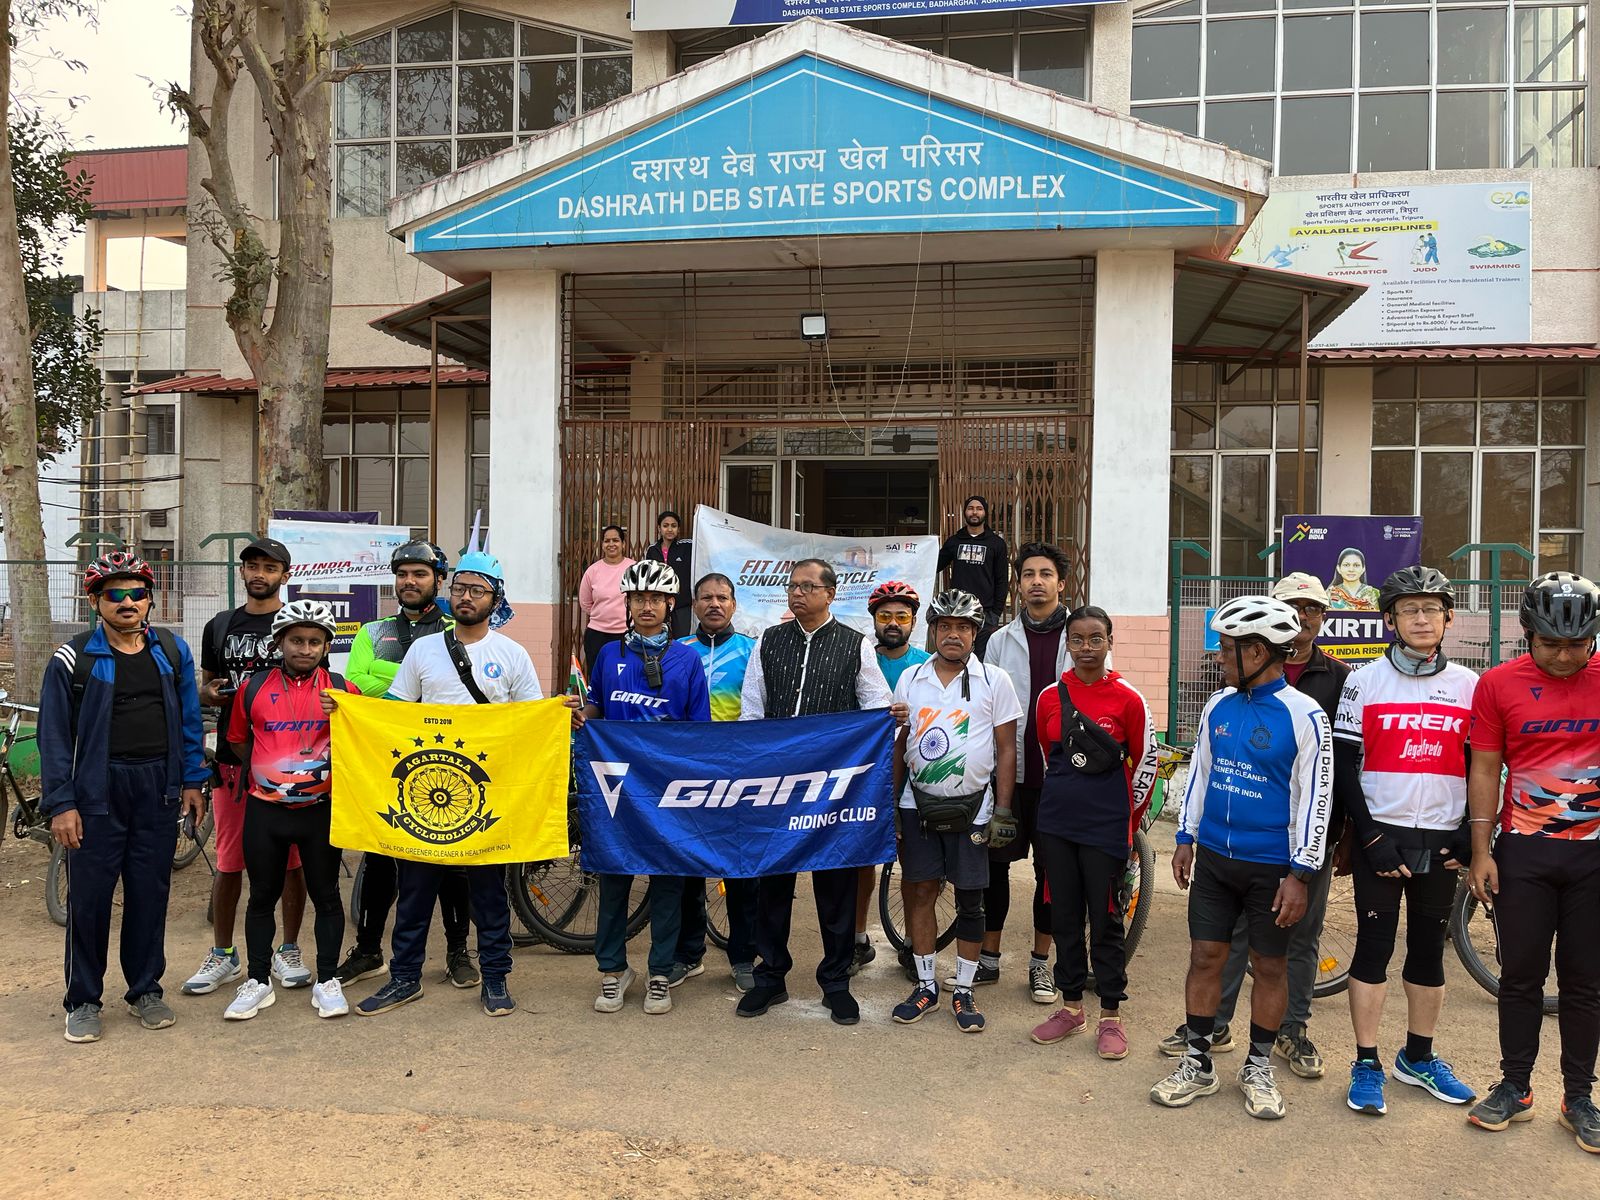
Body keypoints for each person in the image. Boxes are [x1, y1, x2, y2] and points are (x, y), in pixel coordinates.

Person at [1152, 596, 1332, 1120]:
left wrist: (1301, 873)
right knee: (1205, 958)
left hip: (1273, 868)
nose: (1219, 658)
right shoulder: (1216, 705)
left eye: (1227, 649)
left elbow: (1315, 799)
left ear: (1259, 651)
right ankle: (1197, 1062)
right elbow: (1201, 775)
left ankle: (1258, 1065)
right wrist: (1184, 838)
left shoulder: (1305, 715)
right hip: (1213, 861)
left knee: (1269, 966)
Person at [351, 542, 544, 1019]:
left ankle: (495, 976)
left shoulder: (512, 654)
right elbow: (396, 713)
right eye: (460, 587)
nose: (466, 596)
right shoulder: (422, 650)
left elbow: (530, 722)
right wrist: (350, 711)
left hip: (486, 799)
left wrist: (562, 715)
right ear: (449, 592)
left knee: (488, 893)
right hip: (424, 795)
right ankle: (404, 978)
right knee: (414, 890)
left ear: (495, 599)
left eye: (478, 590)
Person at [40, 553, 208, 1042]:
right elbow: (53, 737)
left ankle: (144, 990)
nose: (128, 602)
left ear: (150, 599)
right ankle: (83, 1000)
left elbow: (189, 722)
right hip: (96, 791)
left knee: (149, 893)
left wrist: (194, 782)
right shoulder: (74, 659)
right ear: (95, 602)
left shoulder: (173, 652)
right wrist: (61, 803)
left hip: (157, 788)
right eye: (115, 594)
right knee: (89, 899)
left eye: (137, 593)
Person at [1330, 567, 1478, 1116]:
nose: (1421, 618)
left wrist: (1470, 830)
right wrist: (1368, 835)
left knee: (1426, 952)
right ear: (1389, 619)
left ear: (1447, 619)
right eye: (1409, 610)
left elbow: (1480, 763)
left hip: (1442, 837)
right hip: (1382, 835)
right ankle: (1366, 1061)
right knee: (1373, 949)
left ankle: (1418, 1057)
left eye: (1432, 610)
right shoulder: (1363, 681)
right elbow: (1346, 764)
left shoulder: (1469, 685)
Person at [1465, 572, 1600, 1153]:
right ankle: (1515, 1086)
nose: (1565, 655)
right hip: (1523, 853)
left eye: (1577, 644)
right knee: (1519, 975)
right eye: (1550, 644)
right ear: (1527, 634)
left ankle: (1579, 1097)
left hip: (1594, 857)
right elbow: (1484, 768)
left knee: (1585, 981)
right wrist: (1480, 851)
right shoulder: (1497, 684)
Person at [737, 558, 898, 1025]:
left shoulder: (856, 645)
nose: (797, 593)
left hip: (833, 789)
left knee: (836, 885)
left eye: (808, 586)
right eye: (792, 586)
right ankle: (771, 978)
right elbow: (752, 709)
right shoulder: (768, 640)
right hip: (777, 783)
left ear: (831, 594)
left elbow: (876, 706)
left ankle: (836, 982)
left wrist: (892, 717)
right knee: (773, 882)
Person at [569, 561, 711, 1015]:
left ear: (670, 605)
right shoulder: (609, 655)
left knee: (669, 884)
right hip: (616, 790)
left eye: (655, 599)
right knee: (613, 879)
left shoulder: (687, 658)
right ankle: (612, 971)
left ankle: (660, 974)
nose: (646, 606)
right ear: (626, 604)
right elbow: (597, 705)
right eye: (637, 598)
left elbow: (700, 730)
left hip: (667, 791)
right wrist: (579, 713)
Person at [337, 540, 475, 989]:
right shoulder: (371, 632)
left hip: (446, 762)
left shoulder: (460, 630)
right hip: (386, 761)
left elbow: (445, 692)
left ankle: (458, 951)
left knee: (452, 860)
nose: (409, 582)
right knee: (379, 858)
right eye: (402, 574)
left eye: (419, 574)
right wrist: (405, 686)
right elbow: (356, 685)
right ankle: (368, 951)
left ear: (439, 580)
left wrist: (390, 683)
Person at [222, 601, 363, 1021]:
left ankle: (327, 981)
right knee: (261, 896)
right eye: (296, 640)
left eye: (314, 642)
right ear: (280, 642)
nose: (305, 648)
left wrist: (343, 718)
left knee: (326, 897)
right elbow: (239, 742)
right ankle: (259, 980)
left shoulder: (343, 689)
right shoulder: (253, 687)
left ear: (325, 646)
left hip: (320, 811)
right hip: (266, 812)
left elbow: (364, 739)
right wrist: (273, 772)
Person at [1029, 605, 1158, 1061]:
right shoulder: (1048, 697)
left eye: (1096, 639)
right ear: (1068, 643)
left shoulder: (1128, 698)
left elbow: (1145, 764)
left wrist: (1127, 819)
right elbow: (1049, 758)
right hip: (1057, 826)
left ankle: (1110, 1016)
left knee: (1105, 923)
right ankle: (1070, 1008)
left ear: (1109, 642)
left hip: (1106, 829)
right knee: (1063, 917)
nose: (1087, 648)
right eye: (1078, 639)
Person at [183, 537, 310, 997]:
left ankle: (288, 948)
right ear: (242, 573)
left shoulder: (298, 623)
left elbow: (316, 687)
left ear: (285, 575)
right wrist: (210, 695)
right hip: (234, 764)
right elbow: (203, 689)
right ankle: (223, 955)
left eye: (269, 567)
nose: (260, 574)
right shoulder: (220, 626)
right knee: (230, 860)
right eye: (252, 566)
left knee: (292, 860)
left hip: (288, 761)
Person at [890, 590, 1020, 1033]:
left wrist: (1003, 809)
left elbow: (1006, 749)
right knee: (921, 891)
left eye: (962, 627)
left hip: (976, 809)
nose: (953, 634)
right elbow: (898, 744)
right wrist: (891, 804)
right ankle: (926, 984)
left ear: (974, 633)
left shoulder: (995, 681)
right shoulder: (910, 677)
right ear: (933, 629)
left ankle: (963, 990)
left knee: (970, 898)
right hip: (916, 804)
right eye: (945, 626)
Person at [979, 542, 1070, 1001]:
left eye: (1046, 574)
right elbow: (986, 708)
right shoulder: (999, 640)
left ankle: (1039, 963)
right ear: (1018, 584)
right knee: (995, 867)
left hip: (1060, 780)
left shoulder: (1080, 634)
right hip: (1008, 775)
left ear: (1061, 583)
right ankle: (989, 958)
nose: (1037, 581)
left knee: (1049, 875)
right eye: (1029, 574)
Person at [676, 572, 760, 992]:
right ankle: (689, 955)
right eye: (706, 597)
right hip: (686, 774)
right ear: (694, 604)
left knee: (741, 869)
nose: (714, 604)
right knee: (688, 868)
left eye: (722, 598)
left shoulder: (752, 651)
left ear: (733, 604)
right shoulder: (677, 651)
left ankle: (743, 956)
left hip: (738, 774)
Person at [854, 579, 932, 972]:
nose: (893, 623)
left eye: (902, 616)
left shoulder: (927, 664)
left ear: (914, 621)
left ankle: (913, 944)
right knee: (859, 864)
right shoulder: (858, 656)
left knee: (912, 863)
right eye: (885, 616)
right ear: (874, 620)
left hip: (913, 776)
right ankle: (857, 940)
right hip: (866, 774)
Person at [937, 496, 1008, 654]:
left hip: (986, 613)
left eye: (979, 508)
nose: (974, 512)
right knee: (957, 657)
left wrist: (996, 612)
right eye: (970, 508)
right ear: (965, 512)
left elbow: (1002, 579)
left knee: (983, 661)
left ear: (985, 513)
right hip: (958, 612)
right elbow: (934, 565)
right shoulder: (954, 541)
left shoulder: (996, 543)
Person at [579, 525, 634, 671]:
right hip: (597, 636)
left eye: (615, 540)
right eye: (607, 541)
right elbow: (585, 602)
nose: (611, 544)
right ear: (602, 545)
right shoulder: (593, 570)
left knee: (625, 676)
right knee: (598, 678)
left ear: (623, 544)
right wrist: (603, 616)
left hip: (626, 634)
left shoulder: (633, 568)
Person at [644, 510, 694, 638]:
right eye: (665, 526)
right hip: (659, 602)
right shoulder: (652, 550)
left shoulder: (687, 546)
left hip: (682, 604)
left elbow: (704, 540)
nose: (670, 529)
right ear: (659, 528)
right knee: (658, 637)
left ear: (678, 529)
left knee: (681, 639)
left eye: (674, 525)